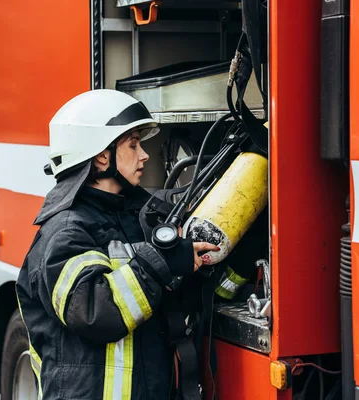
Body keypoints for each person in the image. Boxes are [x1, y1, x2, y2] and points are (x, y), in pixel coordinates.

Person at [16, 89, 218, 400]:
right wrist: (161, 262)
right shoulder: (65, 231)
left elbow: (163, 306)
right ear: (101, 156)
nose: (144, 155)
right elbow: (97, 311)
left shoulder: (136, 221)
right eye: (133, 145)